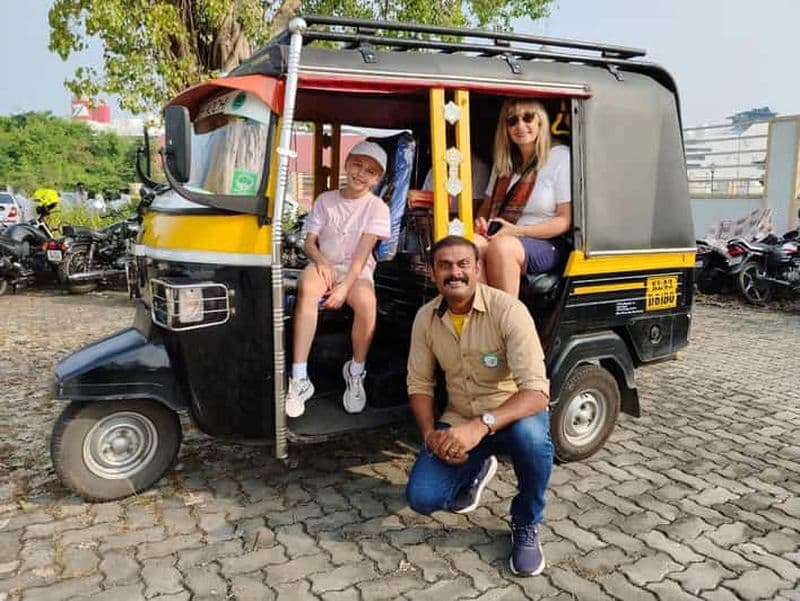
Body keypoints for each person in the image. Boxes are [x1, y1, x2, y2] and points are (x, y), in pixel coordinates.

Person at [405, 235, 553, 577]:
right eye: (445, 266)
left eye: (463, 265)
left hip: (512, 415)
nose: (454, 273)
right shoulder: (425, 318)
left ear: (479, 269)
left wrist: (480, 425)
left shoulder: (509, 310)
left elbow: (536, 392)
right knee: (422, 498)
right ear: (432, 272)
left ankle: (526, 523)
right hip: (460, 418)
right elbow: (420, 385)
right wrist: (430, 436)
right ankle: (477, 468)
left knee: (533, 441)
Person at [286, 141, 392, 418]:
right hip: (326, 262)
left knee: (367, 303)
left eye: (370, 171)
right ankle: (299, 377)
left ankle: (356, 370)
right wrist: (322, 261)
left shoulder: (377, 207)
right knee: (307, 288)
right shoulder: (325, 200)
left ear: (377, 179)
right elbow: (309, 243)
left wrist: (344, 288)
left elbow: (362, 255)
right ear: (346, 164)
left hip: (356, 270)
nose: (361, 173)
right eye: (357, 164)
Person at [474, 98, 572, 297]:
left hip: (547, 241)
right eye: (512, 121)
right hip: (503, 234)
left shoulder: (560, 157)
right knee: (471, 245)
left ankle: (509, 322)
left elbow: (564, 221)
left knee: (502, 247)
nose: (521, 125)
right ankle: (484, 317)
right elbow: (485, 208)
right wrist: (481, 223)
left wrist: (517, 231)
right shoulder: (503, 163)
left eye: (528, 117)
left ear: (540, 121)